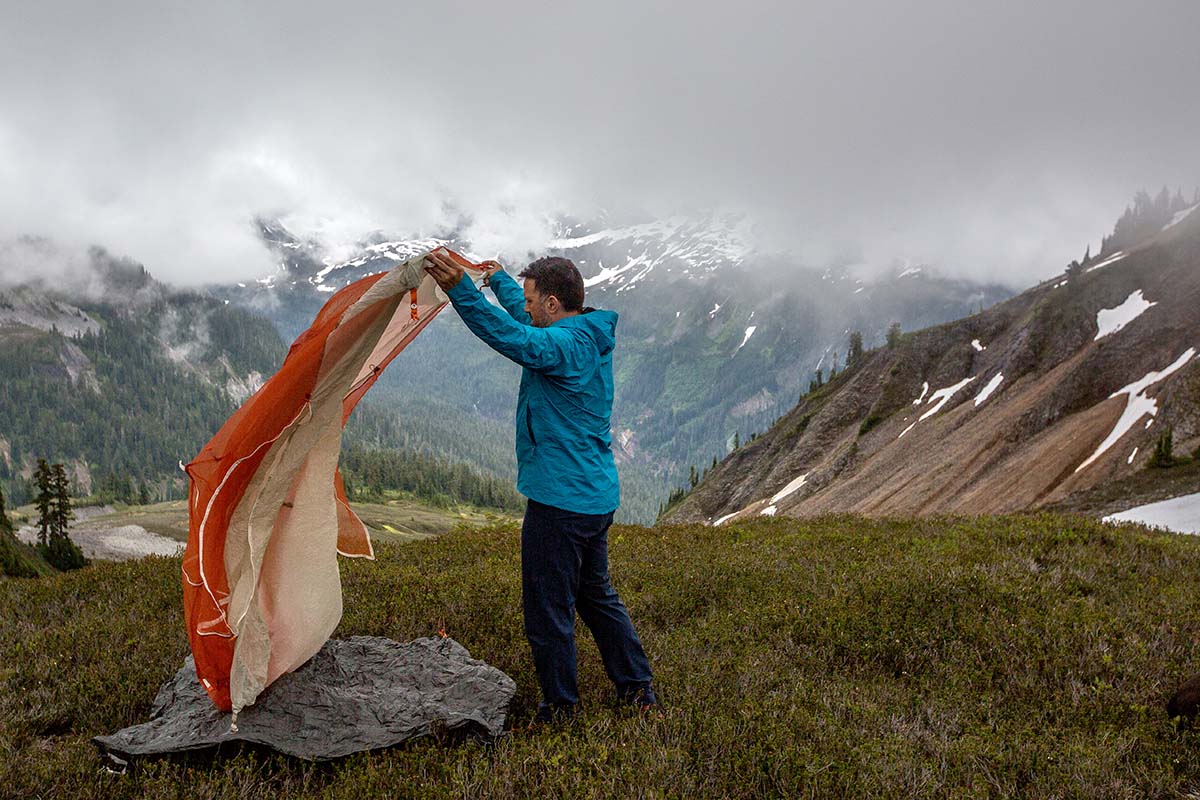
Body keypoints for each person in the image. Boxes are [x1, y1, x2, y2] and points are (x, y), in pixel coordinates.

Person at [423, 249, 657, 724]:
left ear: (552, 304)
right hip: (593, 496)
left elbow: (514, 337)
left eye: (531, 300)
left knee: (548, 611)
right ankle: (638, 691)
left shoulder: (561, 346)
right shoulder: (583, 333)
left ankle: (561, 709)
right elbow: (526, 321)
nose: (526, 307)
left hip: (559, 502)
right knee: (596, 597)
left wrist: (462, 291)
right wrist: (501, 282)